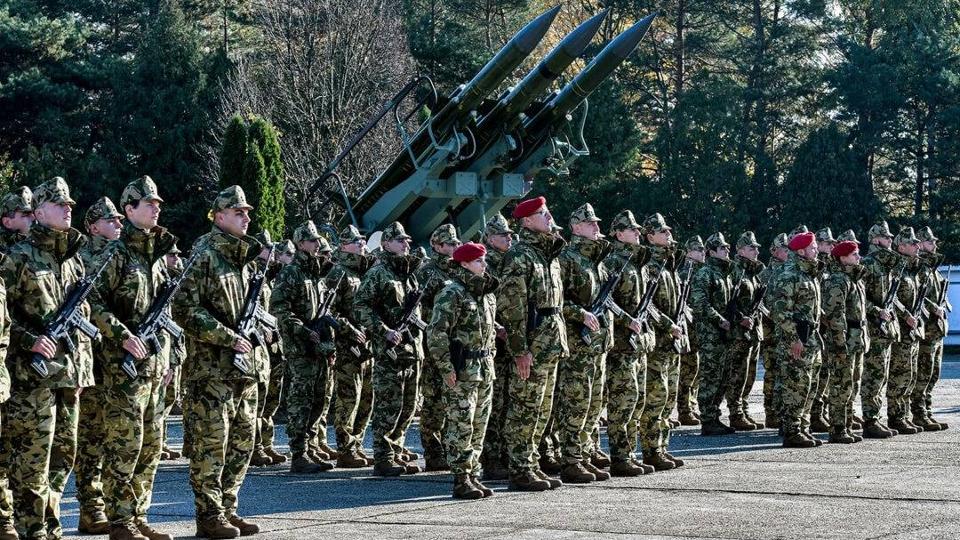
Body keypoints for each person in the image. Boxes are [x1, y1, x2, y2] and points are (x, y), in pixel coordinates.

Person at [1, 177, 95, 539]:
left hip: (67, 378)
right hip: (31, 379)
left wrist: (83, 373)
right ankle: (34, 530)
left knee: (63, 457)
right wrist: (30, 341)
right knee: (31, 461)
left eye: (70, 203)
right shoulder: (18, 258)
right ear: (39, 213)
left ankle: (50, 523)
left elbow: (80, 321)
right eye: (60, 204)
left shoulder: (73, 262)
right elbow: (3, 315)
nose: (68, 207)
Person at [88, 176, 178, 540]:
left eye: (157, 202)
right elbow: (91, 303)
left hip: (153, 369)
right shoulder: (115, 253)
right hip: (122, 370)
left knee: (151, 447)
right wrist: (122, 336)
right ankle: (120, 520)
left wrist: (169, 360)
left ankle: (139, 515)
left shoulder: (154, 256)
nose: (156, 207)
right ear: (129, 209)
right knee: (125, 445)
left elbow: (163, 317)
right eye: (148, 203)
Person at [173, 185, 264, 538]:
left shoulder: (244, 258)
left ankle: (228, 508)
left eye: (246, 211)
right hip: (210, 369)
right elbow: (184, 308)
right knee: (212, 445)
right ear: (220, 216)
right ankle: (209, 515)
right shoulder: (204, 253)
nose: (246, 217)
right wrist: (226, 337)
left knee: (242, 442)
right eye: (238, 211)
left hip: (244, 369)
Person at [497, 197, 568, 491]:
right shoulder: (520, 256)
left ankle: (531, 463)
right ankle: (519, 468)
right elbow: (512, 309)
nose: (549, 217)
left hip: (550, 342)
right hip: (532, 343)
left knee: (542, 409)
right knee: (525, 408)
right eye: (543, 213)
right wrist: (519, 350)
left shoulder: (547, 256)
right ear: (527, 221)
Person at [426, 242, 499, 499]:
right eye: (479, 261)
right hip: (462, 368)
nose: (484, 265)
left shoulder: (486, 294)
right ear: (465, 264)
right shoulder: (451, 293)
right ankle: (460, 477)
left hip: (484, 367)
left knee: (479, 424)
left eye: (484, 260)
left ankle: (473, 473)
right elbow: (436, 333)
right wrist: (446, 368)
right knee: (461, 423)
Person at [353, 222, 425, 477]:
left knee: (407, 406)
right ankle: (383, 457)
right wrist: (383, 330)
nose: (406, 243)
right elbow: (360, 306)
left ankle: (396, 450)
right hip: (389, 352)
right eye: (399, 240)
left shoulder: (408, 273)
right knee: (388, 406)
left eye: (406, 239)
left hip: (411, 350)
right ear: (385, 244)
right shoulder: (378, 273)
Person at [74, 197, 123, 536]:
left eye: (120, 218)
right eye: (111, 219)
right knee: (91, 438)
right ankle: (90, 508)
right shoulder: (82, 259)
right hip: (93, 362)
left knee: (113, 438)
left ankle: (107, 503)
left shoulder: (123, 257)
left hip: (118, 364)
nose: (118, 223)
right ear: (93, 226)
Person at [272, 221, 338, 474]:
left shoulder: (316, 274)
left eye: (318, 240)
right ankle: (298, 452)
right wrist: (301, 329)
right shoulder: (291, 273)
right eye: (312, 240)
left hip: (318, 344)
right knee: (301, 399)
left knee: (320, 399)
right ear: (300, 244)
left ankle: (310, 448)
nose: (317, 244)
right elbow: (280, 307)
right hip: (300, 346)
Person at [555, 204, 612, 483]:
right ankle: (571, 459)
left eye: (596, 222)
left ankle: (585, 454)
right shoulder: (567, 259)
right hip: (578, 344)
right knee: (575, 402)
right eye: (590, 223)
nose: (596, 227)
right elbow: (556, 301)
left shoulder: (596, 260)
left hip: (597, 344)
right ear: (576, 227)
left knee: (594, 403)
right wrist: (580, 314)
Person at [600, 210, 653, 477]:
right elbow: (606, 300)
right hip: (621, 344)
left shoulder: (636, 263)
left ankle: (630, 453)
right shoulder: (613, 262)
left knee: (636, 401)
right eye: (631, 230)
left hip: (638, 344)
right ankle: (619, 457)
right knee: (622, 402)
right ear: (619, 234)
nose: (637, 233)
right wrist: (626, 319)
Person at [768, 231, 823, 448]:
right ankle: (791, 431)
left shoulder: (809, 273)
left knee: (809, 385)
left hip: (811, 338)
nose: (817, 250)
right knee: (795, 386)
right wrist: (793, 339)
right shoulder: (789, 274)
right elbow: (781, 311)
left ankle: (803, 428)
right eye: (813, 247)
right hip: (796, 339)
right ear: (801, 251)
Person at [638, 213, 684, 470]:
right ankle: (651, 449)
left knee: (668, 397)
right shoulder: (650, 265)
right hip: (659, 340)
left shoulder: (670, 264)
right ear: (650, 236)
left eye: (668, 230)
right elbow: (649, 305)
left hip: (672, 341)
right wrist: (669, 325)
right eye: (661, 231)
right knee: (656, 397)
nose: (667, 234)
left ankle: (662, 447)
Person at [415, 224, 463, 471]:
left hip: (457, 342)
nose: (455, 247)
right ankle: (433, 453)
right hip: (435, 343)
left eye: (456, 243)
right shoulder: (427, 273)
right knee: (433, 400)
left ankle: (449, 447)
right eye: (450, 244)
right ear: (437, 246)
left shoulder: (458, 270)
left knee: (453, 399)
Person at [327, 225, 375, 468]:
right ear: (344, 246)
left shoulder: (363, 273)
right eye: (357, 242)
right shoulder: (339, 273)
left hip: (366, 346)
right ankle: (345, 448)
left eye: (363, 241)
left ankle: (356, 444)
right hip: (347, 347)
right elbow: (329, 310)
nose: (362, 246)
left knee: (367, 398)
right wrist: (349, 330)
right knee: (349, 399)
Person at [821, 240, 868, 444]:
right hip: (844, 341)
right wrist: (840, 342)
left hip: (856, 339)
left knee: (852, 385)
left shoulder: (855, 279)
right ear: (842, 258)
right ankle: (838, 428)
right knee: (841, 386)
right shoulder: (838, 280)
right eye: (854, 254)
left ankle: (847, 425)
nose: (858, 257)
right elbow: (834, 315)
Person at [690, 233, 736, 436]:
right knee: (711, 376)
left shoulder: (725, 274)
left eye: (727, 247)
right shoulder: (705, 274)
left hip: (724, 333)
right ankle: (707, 419)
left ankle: (715, 416)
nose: (727, 250)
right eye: (722, 248)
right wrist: (719, 320)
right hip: (710, 334)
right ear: (711, 252)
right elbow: (699, 304)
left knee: (723, 376)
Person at [480, 213, 514, 480]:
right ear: (491, 239)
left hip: (511, 340)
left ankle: (503, 454)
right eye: (504, 235)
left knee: (508, 402)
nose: (509, 238)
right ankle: (491, 458)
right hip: (496, 342)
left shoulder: (509, 261)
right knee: (496, 403)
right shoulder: (485, 264)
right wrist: (499, 327)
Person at [860, 221, 901, 439]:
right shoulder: (867, 264)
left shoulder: (887, 266)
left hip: (886, 330)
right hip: (874, 330)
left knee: (882, 377)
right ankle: (870, 420)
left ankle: (876, 418)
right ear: (876, 240)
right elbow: (859, 299)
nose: (890, 240)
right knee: (872, 378)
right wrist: (877, 311)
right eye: (887, 237)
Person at [725, 232, 766, 431]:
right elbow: (728, 302)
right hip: (739, 332)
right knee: (737, 374)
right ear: (740, 251)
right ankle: (735, 413)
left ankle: (744, 409)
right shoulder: (736, 271)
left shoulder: (752, 273)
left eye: (757, 248)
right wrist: (741, 318)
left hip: (753, 330)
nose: (757, 251)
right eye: (752, 248)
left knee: (749, 374)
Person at [887, 227, 924, 435]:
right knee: (898, 376)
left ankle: (905, 415)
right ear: (901, 247)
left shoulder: (912, 270)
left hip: (913, 330)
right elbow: (892, 298)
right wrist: (906, 315)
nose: (917, 246)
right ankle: (896, 416)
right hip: (901, 329)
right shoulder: (896, 269)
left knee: (910, 375)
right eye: (913, 243)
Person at [913, 226, 949, 431]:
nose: (934, 245)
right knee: (922, 374)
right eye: (929, 242)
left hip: (936, 330)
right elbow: (916, 296)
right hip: (926, 329)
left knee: (933, 374)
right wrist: (932, 307)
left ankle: (926, 411)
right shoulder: (920, 269)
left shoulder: (933, 270)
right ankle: (918, 414)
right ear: (920, 244)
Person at [674, 235, 704, 426]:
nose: (702, 253)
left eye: (703, 250)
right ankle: (684, 409)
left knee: (696, 370)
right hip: (687, 329)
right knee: (687, 370)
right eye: (698, 250)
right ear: (689, 252)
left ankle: (691, 406)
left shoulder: (703, 272)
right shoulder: (684, 273)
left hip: (699, 329)